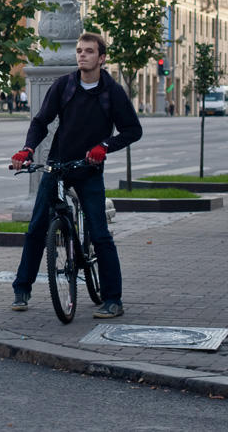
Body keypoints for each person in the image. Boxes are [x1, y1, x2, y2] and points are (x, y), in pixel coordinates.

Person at [8, 32, 142, 318]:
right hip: (58, 165)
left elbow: (133, 130)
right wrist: (27, 149)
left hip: (89, 170)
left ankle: (112, 300)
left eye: (89, 51)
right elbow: (41, 121)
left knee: (100, 234)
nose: (82, 55)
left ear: (101, 58)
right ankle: (22, 289)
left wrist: (104, 146)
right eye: (80, 50)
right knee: (36, 228)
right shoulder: (64, 86)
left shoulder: (111, 92)